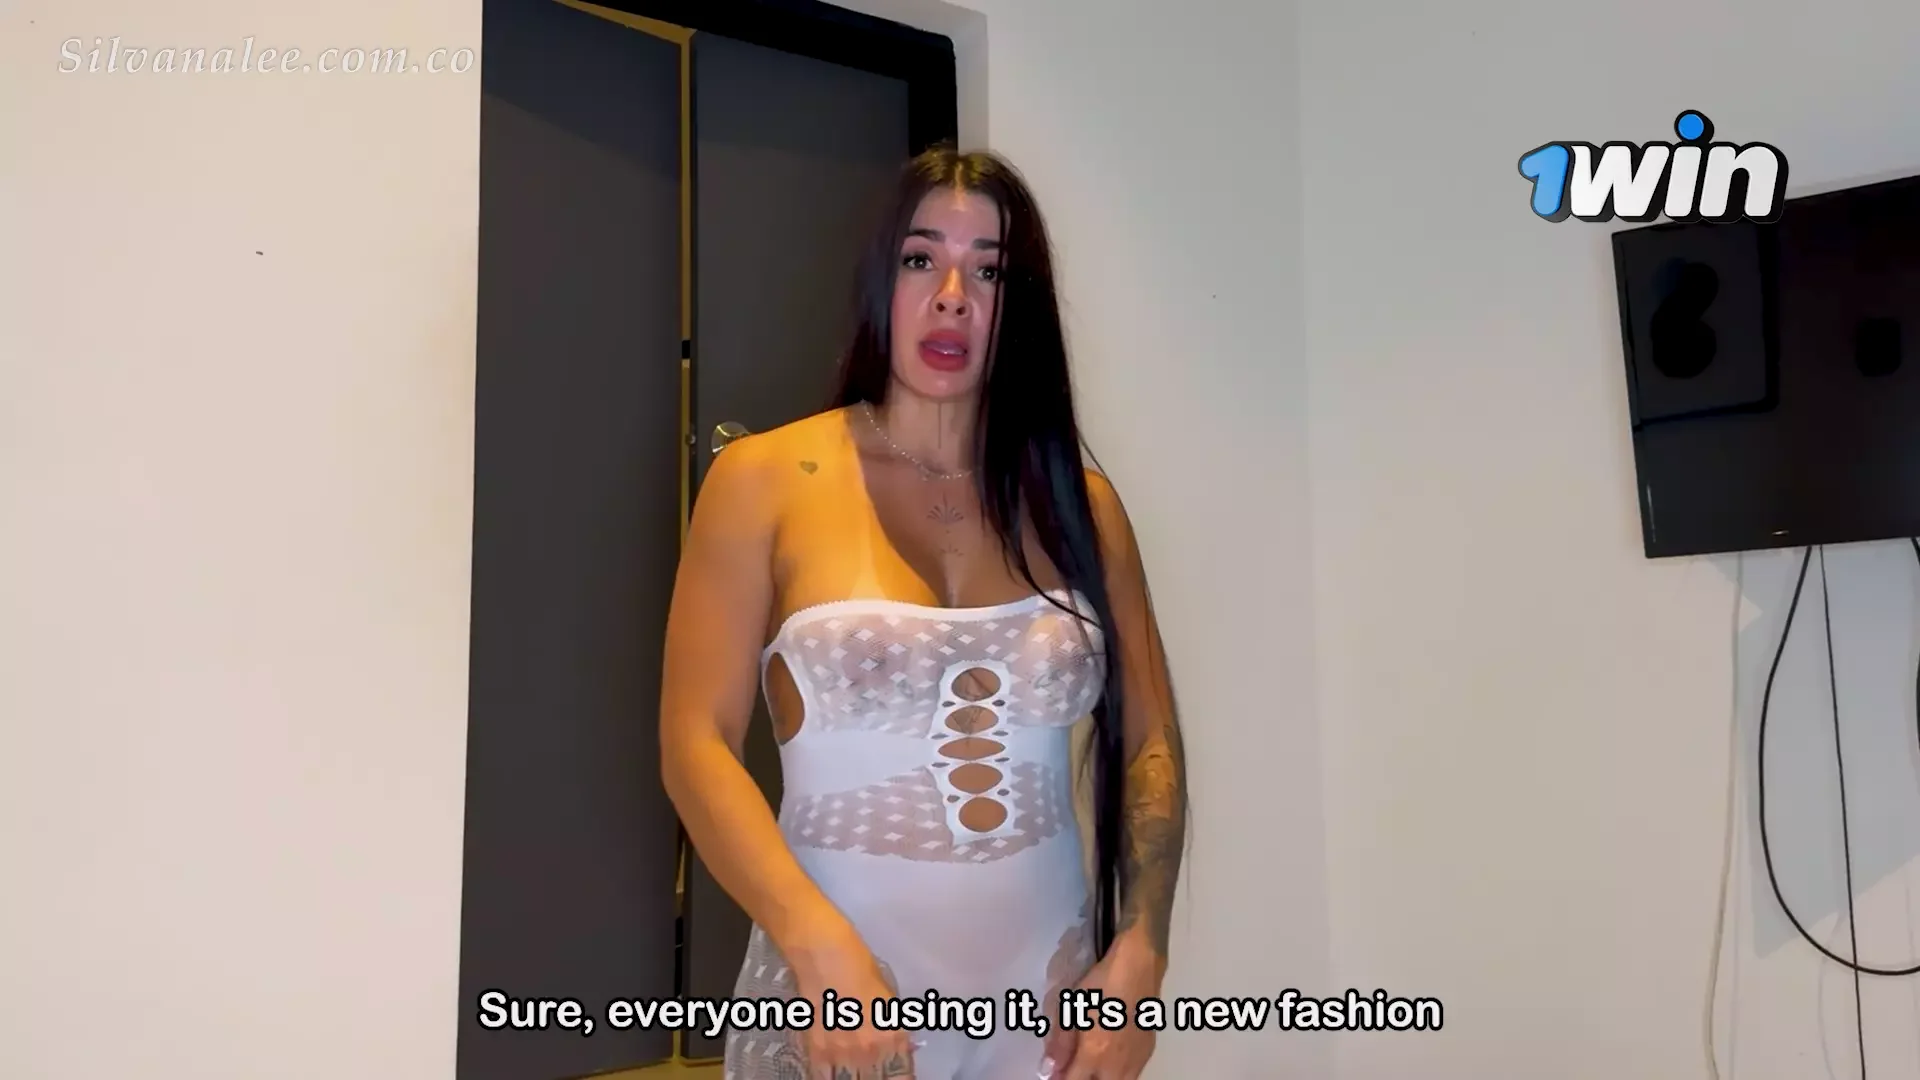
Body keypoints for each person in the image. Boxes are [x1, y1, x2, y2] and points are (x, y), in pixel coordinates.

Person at [659, 144, 1187, 1080]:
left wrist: (1143, 950)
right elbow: (695, 742)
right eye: (920, 259)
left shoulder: (1081, 506)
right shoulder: (764, 481)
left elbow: (1149, 740)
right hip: (836, 1010)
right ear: (880, 279)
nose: (952, 296)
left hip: (1051, 1023)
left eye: (989, 271)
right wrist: (812, 942)